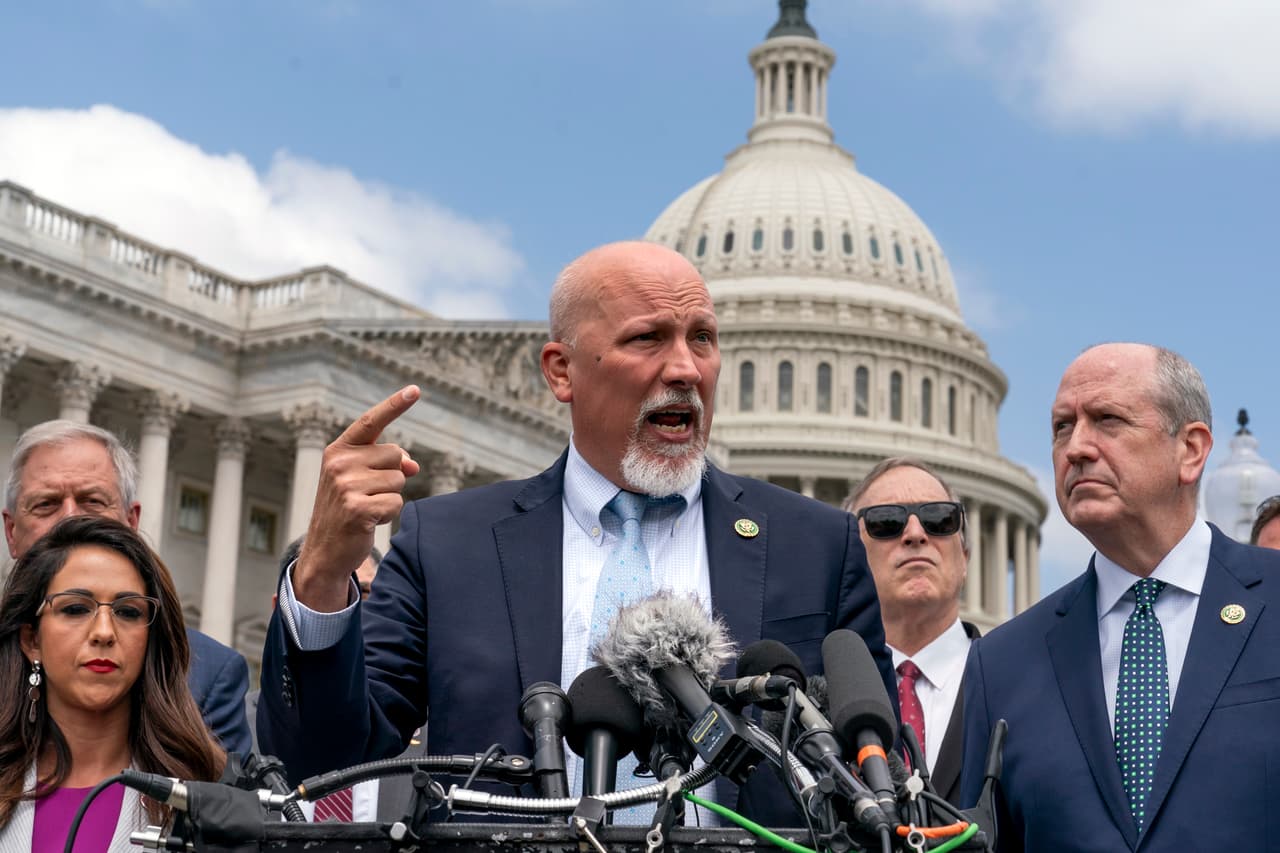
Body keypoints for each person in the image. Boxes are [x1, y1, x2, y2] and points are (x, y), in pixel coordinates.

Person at [258, 241, 895, 826]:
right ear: (561, 371)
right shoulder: (448, 544)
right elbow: (324, 760)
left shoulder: (817, 546)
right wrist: (319, 575)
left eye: (702, 338)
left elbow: (880, 774)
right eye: (648, 338)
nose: (686, 369)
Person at [959, 343, 1280, 851]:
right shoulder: (999, 664)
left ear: (1191, 449)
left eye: (1107, 420)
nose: (1076, 448)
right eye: (1063, 427)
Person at [3, 421, 252, 757]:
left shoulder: (207, 675)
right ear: (11, 530)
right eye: (46, 504)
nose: (70, 519)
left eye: (92, 501)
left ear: (131, 523)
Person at [0, 515, 225, 851]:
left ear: (150, 638)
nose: (104, 632)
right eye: (76, 608)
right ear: (31, 639)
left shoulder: (209, 795)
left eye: (128, 612)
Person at [245, 537, 425, 823]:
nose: (346, 611)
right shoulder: (232, 725)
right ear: (282, 608)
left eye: (363, 594)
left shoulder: (428, 736)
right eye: (325, 593)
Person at [843, 457, 979, 805]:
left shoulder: (1022, 684)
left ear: (964, 557)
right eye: (887, 522)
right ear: (850, 560)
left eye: (939, 519)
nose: (916, 534)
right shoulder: (816, 703)